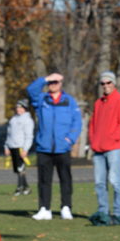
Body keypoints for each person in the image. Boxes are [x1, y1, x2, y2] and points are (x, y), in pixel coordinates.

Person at [27, 72, 82, 221]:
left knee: (65, 179)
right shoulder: (42, 99)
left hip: (62, 148)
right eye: (51, 82)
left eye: (56, 82)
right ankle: (44, 208)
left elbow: (77, 122)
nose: (53, 85)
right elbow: (31, 90)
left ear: (61, 84)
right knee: (44, 180)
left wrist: (70, 139)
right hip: (44, 148)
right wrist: (45, 79)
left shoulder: (69, 101)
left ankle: (66, 207)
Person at [88, 71, 120, 217]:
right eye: (103, 83)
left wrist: (112, 138)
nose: (106, 85)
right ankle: (103, 211)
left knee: (115, 180)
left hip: (114, 148)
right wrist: (93, 140)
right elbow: (92, 124)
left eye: (108, 82)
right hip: (98, 149)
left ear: (114, 83)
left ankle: (119, 212)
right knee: (99, 182)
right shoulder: (98, 103)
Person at [4, 98, 34, 196]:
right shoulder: (13, 119)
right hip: (12, 146)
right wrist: (6, 146)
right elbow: (9, 134)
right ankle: (26, 187)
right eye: (17, 107)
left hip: (20, 147)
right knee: (17, 169)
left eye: (21, 107)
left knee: (21, 168)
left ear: (25, 108)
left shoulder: (28, 120)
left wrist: (25, 149)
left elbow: (29, 136)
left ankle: (19, 187)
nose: (18, 109)